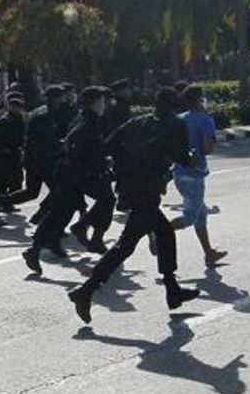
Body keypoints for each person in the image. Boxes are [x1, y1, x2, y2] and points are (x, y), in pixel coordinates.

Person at [67, 88, 202, 324]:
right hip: (147, 191)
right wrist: (193, 157)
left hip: (130, 188)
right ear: (174, 106)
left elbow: (109, 144)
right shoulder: (174, 125)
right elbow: (182, 157)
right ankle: (86, 290)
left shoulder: (139, 122)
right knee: (126, 245)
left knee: (164, 233)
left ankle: (172, 289)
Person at [23, 87, 116, 273]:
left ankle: (38, 248)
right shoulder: (87, 123)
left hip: (73, 173)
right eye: (102, 101)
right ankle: (84, 229)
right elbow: (77, 147)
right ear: (94, 103)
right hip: (76, 173)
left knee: (62, 211)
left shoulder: (86, 118)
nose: (104, 105)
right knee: (106, 199)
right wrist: (100, 166)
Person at [0, 86, 67, 228]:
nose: (62, 100)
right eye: (60, 97)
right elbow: (40, 140)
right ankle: (44, 220)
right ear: (54, 98)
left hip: (33, 158)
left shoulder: (45, 113)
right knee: (58, 190)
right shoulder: (43, 115)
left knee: (31, 192)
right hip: (38, 159)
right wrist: (59, 146)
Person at [172, 85, 228, 266]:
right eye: (203, 97)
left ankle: (209, 252)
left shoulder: (179, 118)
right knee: (190, 217)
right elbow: (207, 148)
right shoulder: (205, 120)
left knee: (201, 214)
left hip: (179, 173)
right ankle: (158, 232)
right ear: (198, 99)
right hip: (194, 175)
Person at [0, 94, 26, 200]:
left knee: (17, 181)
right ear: (10, 107)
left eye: (18, 107)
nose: (17, 109)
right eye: (14, 107)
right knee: (4, 182)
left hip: (16, 154)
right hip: (4, 155)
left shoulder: (20, 120)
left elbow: (23, 136)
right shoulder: (4, 121)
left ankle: (7, 202)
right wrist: (2, 151)